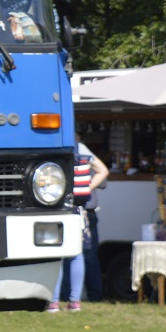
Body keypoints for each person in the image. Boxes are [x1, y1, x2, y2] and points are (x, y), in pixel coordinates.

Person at [49, 134, 109, 312]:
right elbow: (103, 170)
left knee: (55, 254)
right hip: (77, 209)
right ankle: (74, 302)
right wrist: (86, 188)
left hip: (54, 206)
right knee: (78, 254)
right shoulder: (79, 147)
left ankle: (53, 301)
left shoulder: (51, 143)